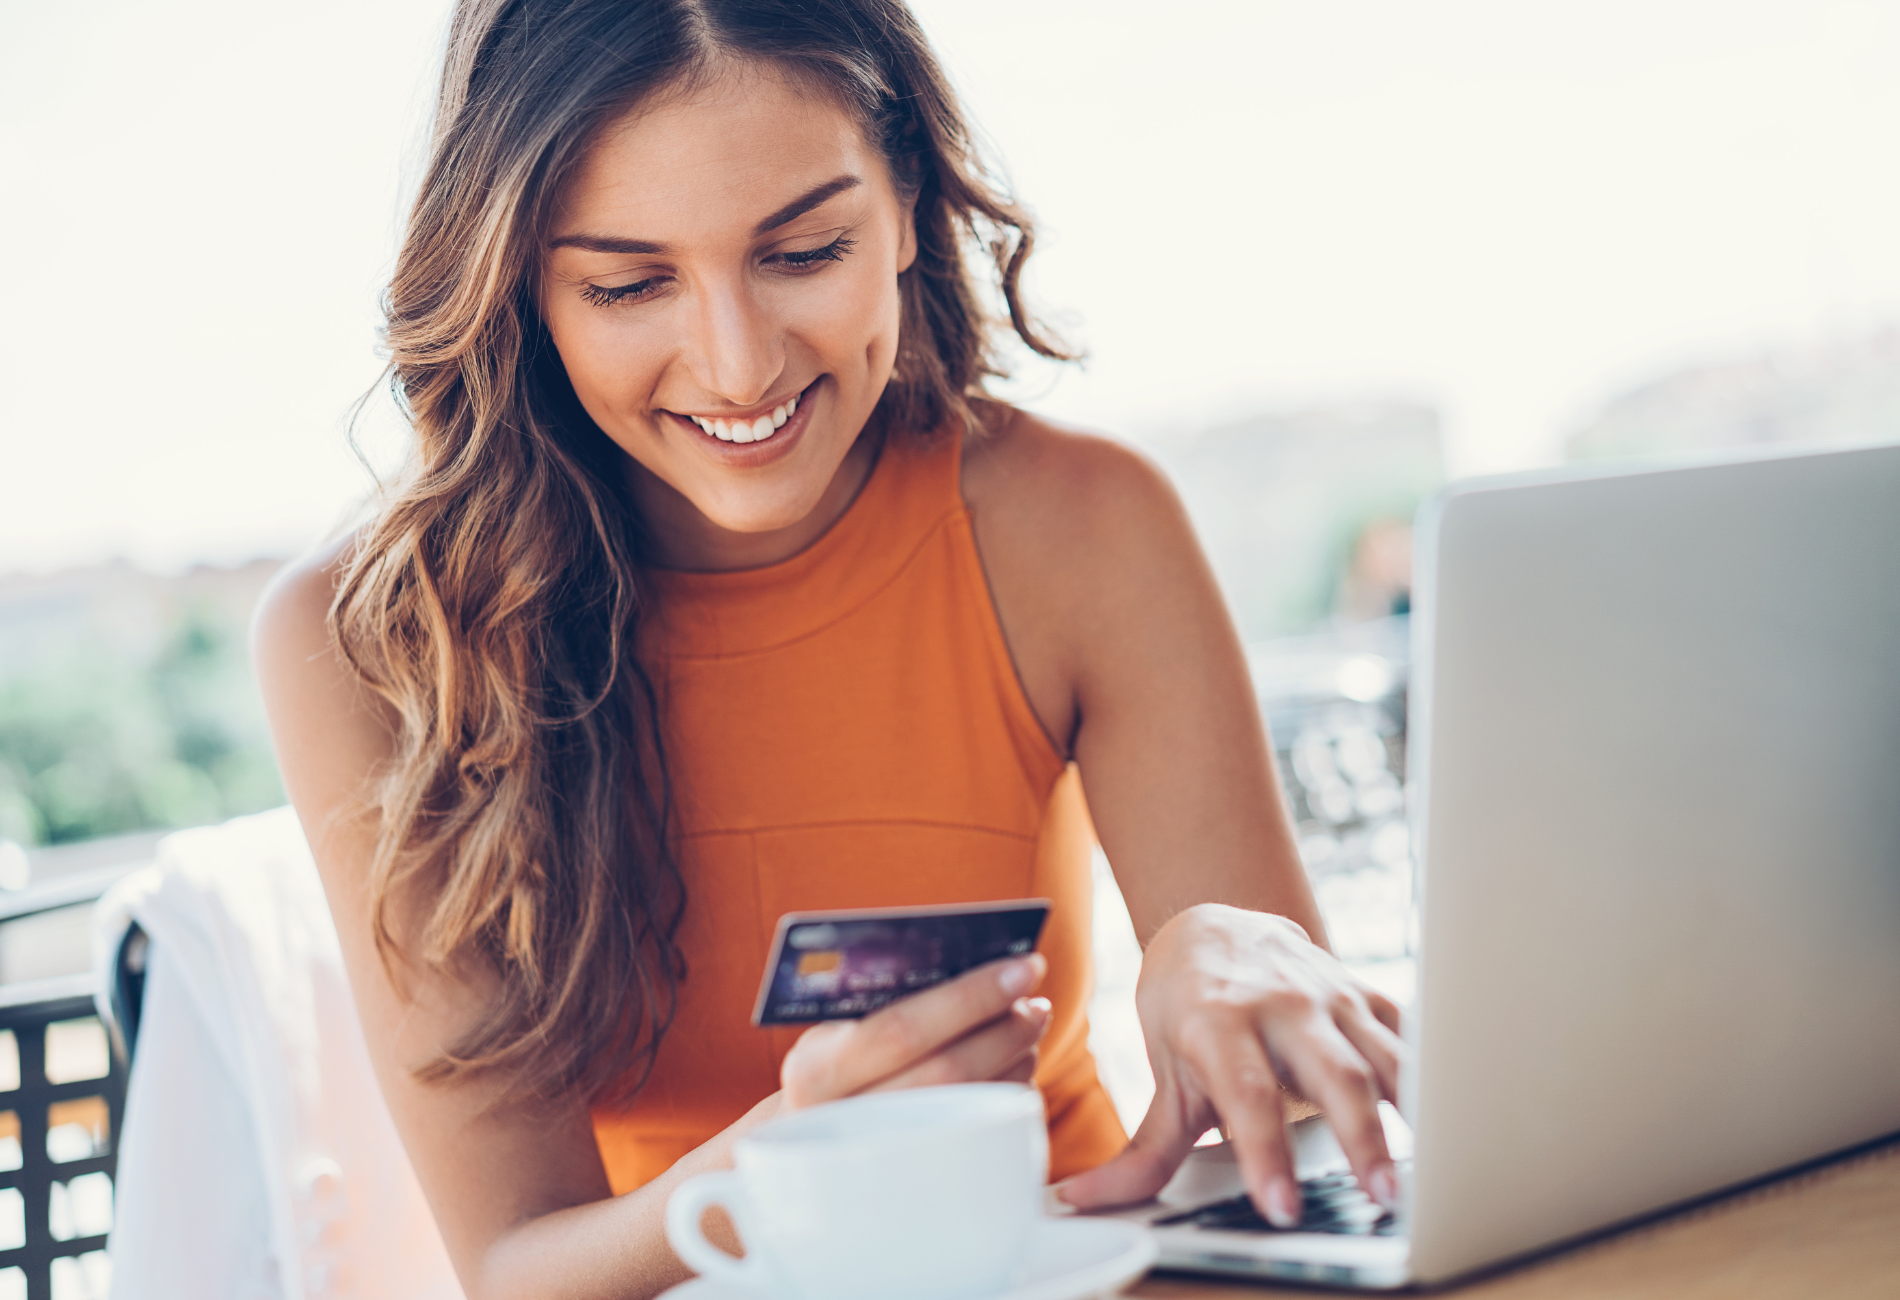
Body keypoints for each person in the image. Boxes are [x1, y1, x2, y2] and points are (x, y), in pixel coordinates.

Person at [253, 2, 1406, 1296]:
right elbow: (518, 1267)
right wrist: (794, 1163)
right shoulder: (370, 646)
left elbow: (1310, 1128)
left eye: (804, 252)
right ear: (519, 282)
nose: (738, 368)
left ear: (906, 202)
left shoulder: (1080, 526)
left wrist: (1227, 962)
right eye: (628, 285)